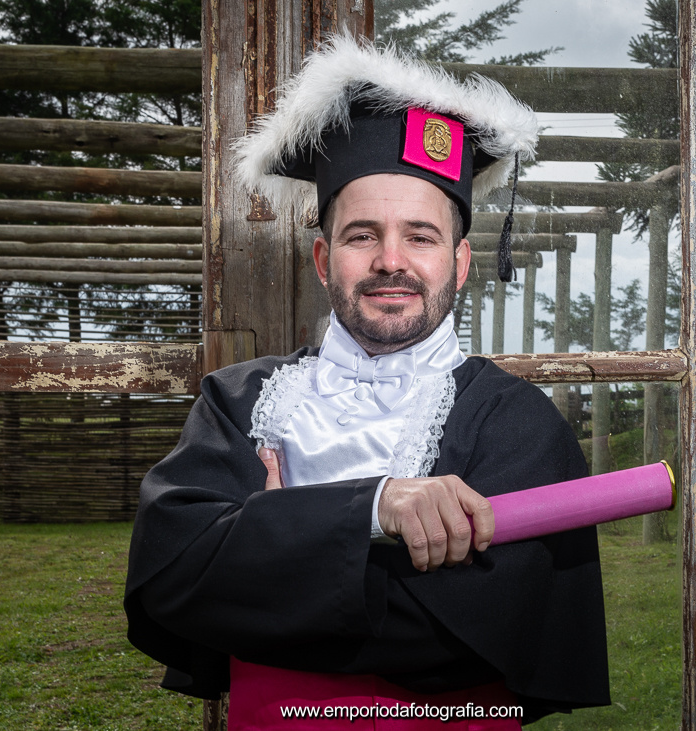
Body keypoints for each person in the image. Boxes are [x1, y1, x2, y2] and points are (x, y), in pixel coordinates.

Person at [124, 34, 609, 728]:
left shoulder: (518, 422)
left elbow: (469, 633)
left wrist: (269, 538)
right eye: (361, 235)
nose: (390, 261)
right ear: (324, 258)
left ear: (460, 263)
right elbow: (170, 574)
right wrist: (378, 510)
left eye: (420, 236)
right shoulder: (238, 402)